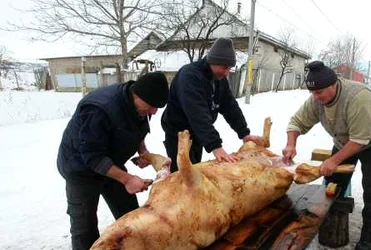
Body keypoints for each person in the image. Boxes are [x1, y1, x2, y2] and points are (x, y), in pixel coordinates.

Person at [282, 61, 371, 250]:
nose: (315, 97)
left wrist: (333, 160)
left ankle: (369, 241)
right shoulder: (317, 98)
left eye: (319, 92)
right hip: (344, 141)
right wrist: (291, 143)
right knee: (333, 186)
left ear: (334, 84)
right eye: (312, 93)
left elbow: (360, 140)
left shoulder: (357, 97)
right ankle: (331, 228)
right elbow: (296, 122)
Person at [57, 71, 169, 250]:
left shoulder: (139, 104)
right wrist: (127, 179)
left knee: (132, 216)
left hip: (111, 162)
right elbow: (92, 156)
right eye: (152, 106)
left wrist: (143, 151)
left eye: (157, 108)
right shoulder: (99, 109)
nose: (154, 112)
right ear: (137, 95)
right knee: (84, 229)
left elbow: (138, 126)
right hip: (80, 168)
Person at [161, 37, 263, 172]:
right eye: (224, 67)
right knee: (182, 175)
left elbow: (230, 107)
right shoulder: (190, 76)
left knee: (196, 170)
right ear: (213, 61)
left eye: (230, 68)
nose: (227, 72)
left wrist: (244, 133)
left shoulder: (219, 79)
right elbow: (198, 113)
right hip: (178, 134)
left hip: (198, 134)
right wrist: (215, 146)